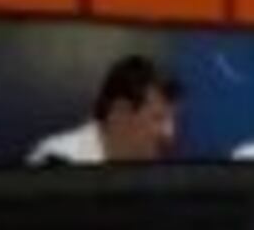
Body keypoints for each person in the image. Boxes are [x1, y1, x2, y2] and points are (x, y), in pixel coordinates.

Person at [28, 54, 180, 166]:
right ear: (120, 113)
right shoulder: (57, 159)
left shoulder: (152, 173)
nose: (169, 133)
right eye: (158, 118)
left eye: (172, 119)